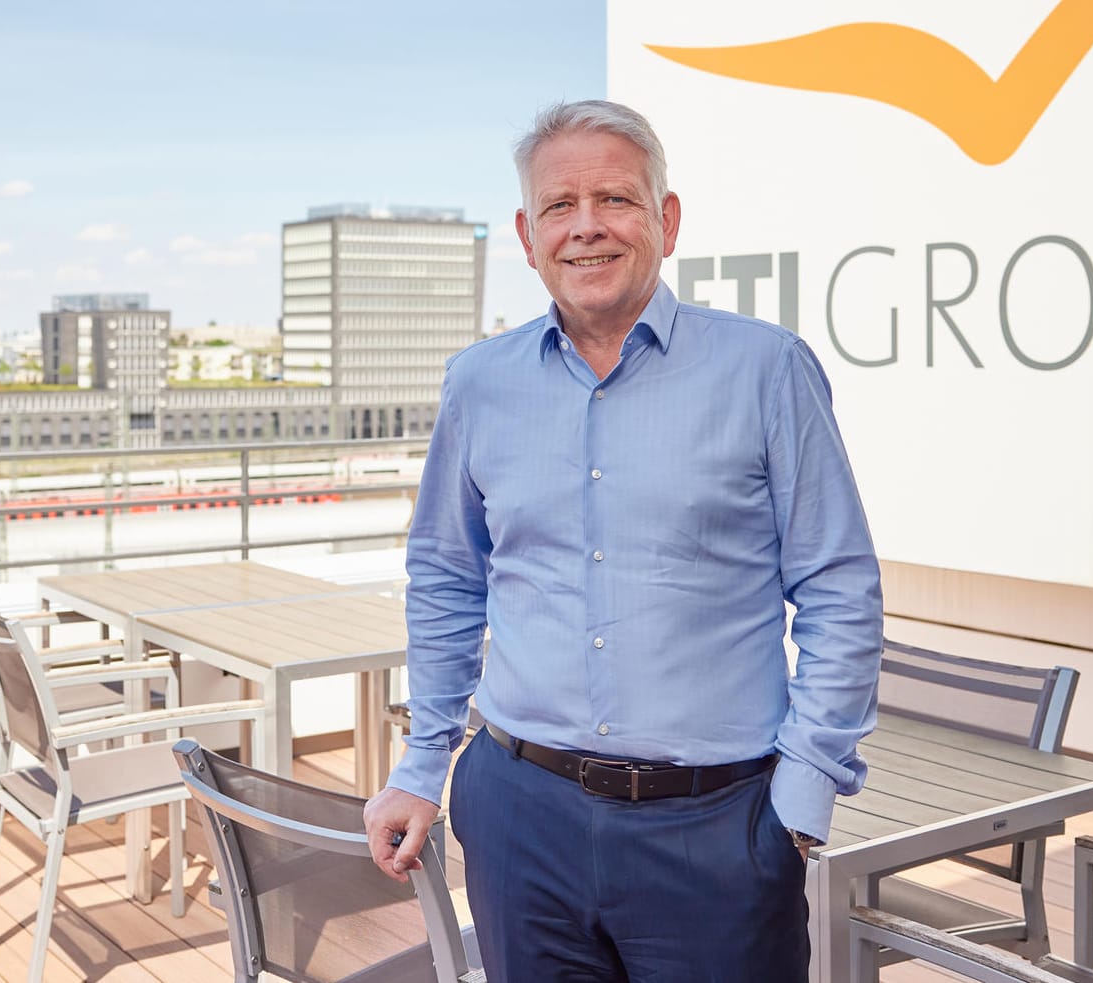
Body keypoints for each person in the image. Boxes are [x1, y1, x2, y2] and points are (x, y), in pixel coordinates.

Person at [363, 99, 883, 982]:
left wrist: (799, 801)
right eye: (559, 207)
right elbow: (448, 576)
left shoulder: (766, 369)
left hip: (717, 829)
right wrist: (422, 763)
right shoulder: (477, 384)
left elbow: (839, 589)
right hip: (518, 815)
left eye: (616, 199)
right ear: (528, 237)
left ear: (666, 220)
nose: (586, 228)